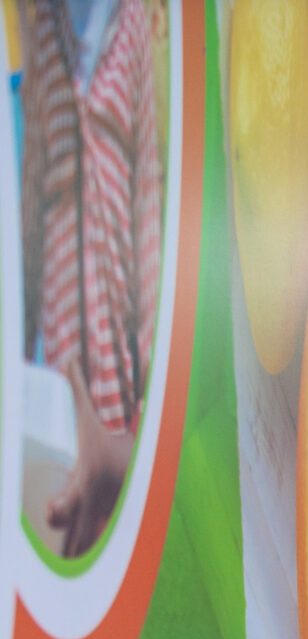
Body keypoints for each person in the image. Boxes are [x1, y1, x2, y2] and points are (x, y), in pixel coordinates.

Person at [16, 0, 166, 556]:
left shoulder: (131, 24)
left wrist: (151, 342)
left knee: (121, 439)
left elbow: (146, 184)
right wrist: (23, 335)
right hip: (60, 289)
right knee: (60, 462)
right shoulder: (43, 29)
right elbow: (33, 181)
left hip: (118, 271)